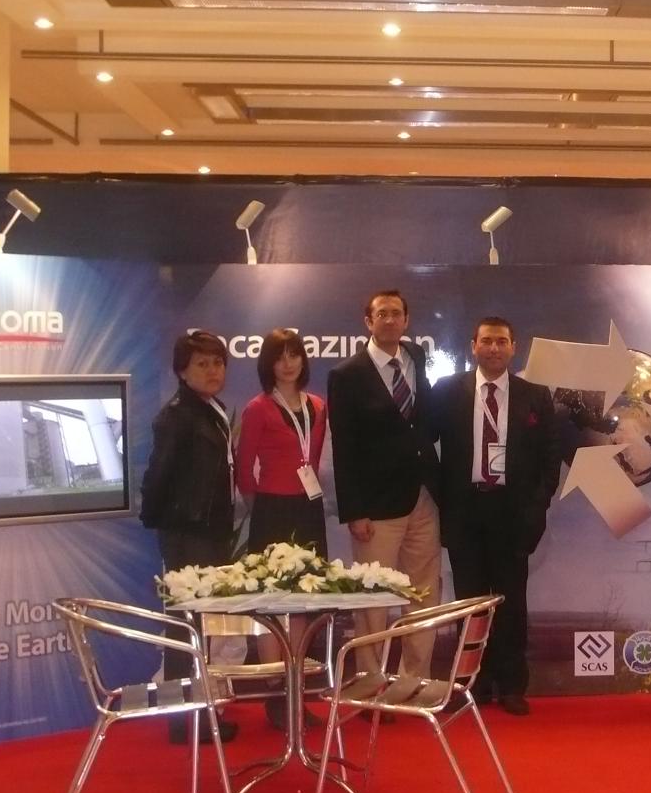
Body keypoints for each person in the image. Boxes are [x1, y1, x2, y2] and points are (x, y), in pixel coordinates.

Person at [430, 317, 562, 716]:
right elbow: (424, 445)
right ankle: (472, 684)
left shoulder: (535, 396)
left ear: (513, 347)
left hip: (513, 513)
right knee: (469, 603)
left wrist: (536, 506)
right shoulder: (447, 391)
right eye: (486, 341)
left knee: (511, 602)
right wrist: (443, 497)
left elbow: (549, 459)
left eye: (501, 341)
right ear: (473, 346)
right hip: (465, 510)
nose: (493, 348)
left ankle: (511, 686)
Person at [326, 289, 442, 678]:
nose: (390, 320)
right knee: (373, 600)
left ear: (406, 320)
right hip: (375, 508)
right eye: (382, 314)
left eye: (396, 313)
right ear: (368, 322)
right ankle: (370, 681)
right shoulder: (347, 375)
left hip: (423, 497)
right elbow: (344, 447)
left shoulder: (416, 357)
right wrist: (354, 512)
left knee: (423, 594)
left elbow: (421, 423)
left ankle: (414, 681)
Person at [139, 327, 239, 743]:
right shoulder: (177, 416)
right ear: (182, 370)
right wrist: (166, 523)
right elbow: (158, 476)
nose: (212, 371)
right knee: (185, 628)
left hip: (210, 531)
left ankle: (199, 712)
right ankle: (183, 720)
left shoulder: (211, 408)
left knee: (200, 624)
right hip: (188, 534)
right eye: (202, 364)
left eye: (218, 363)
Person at [233, 326, 328, 731]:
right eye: (279, 356)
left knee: (304, 601)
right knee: (272, 602)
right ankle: (275, 692)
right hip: (271, 509)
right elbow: (243, 469)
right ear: (268, 364)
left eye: (294, 354)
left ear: (304, 360)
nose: (288, 363)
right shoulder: (258, 408)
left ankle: (296, 691)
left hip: (309, 507)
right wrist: (261, 507)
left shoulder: (319, 406)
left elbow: (315, 458)